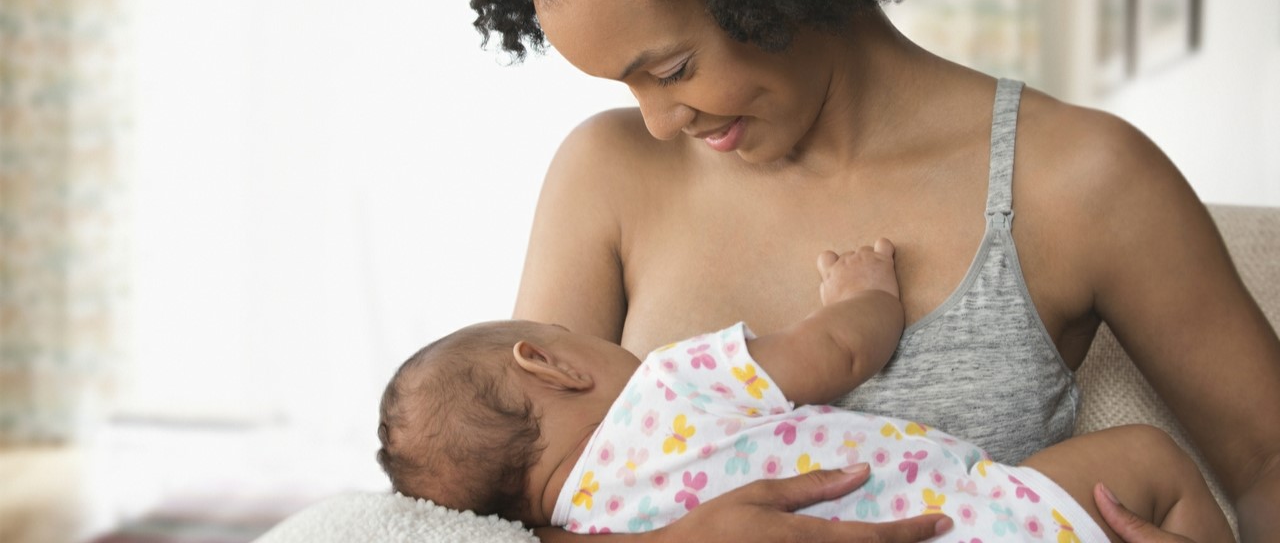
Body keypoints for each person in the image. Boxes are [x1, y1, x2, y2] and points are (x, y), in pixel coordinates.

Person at [423, 0, 1280, 541]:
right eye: (625, 85)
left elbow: (1266, 462)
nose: (657, 120)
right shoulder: (608, 175)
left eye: (674, 67)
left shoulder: (1080, 180)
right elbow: (508, 503)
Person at [376, 241, 1234, 542]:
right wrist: (863, 293)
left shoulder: (581, 527)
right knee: (1150, 462)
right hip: (976, 522)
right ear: (550, 364)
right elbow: (836, 351)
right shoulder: (671, 383)